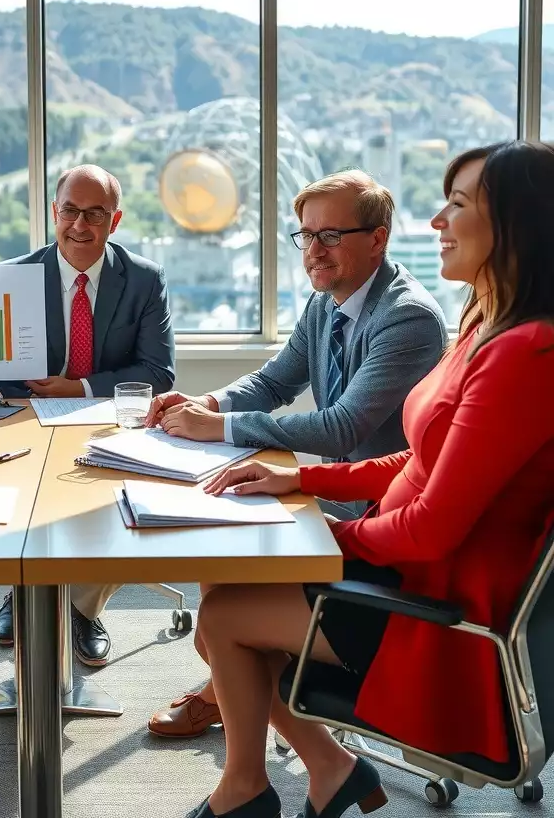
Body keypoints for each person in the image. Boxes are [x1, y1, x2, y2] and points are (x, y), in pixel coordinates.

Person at [177, 141, 554, 818]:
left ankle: (249, 790)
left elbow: (435, 523)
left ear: (518, 225)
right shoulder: (485, 330)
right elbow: (418, 458)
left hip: (433, 601)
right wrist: (304, 482)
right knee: (225, 599)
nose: (437, 221)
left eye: (458, 205)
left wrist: (330, 534)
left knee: (223, 619)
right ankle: (325, 771)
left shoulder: (527, 354)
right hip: (399, 562)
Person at [146, 169, 446, 739]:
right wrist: (208, 401)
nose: (314, 250)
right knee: (221, 542)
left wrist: (220, 428)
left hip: (375, 513)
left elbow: (341, 427)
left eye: (331, 235)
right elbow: (273, 382)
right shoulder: (327, 300)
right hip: (333, 494)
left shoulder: (406, 317)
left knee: (226, 579)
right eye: (305, 235)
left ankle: (233, 691)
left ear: (378, 238)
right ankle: (235, 690)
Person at [0, 164, 176, 666]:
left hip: (108, 418)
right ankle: (20, 593)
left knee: (117, 506)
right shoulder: (15, 276)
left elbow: (158, 372)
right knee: (23, 501)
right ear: (55, 213)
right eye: (70, 211)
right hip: (29, 420)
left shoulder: (142, 280)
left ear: (114, 222)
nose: (80, 225)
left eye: (94, 214)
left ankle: (82, 607)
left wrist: (79, 388)